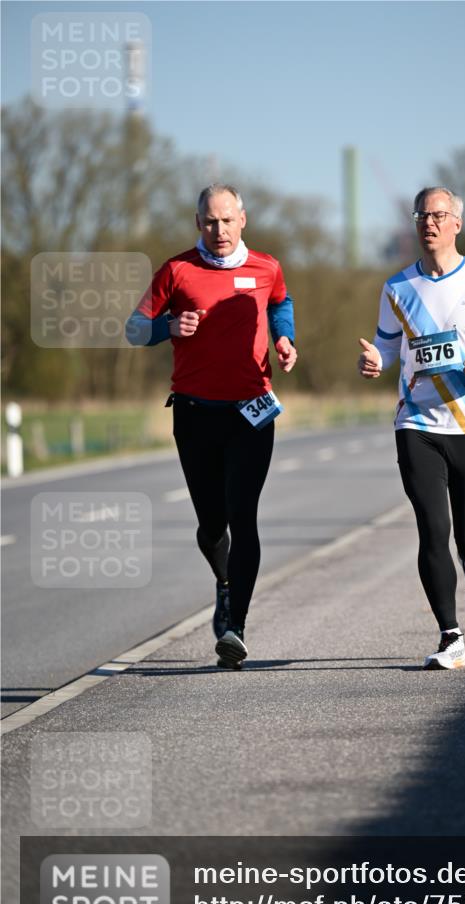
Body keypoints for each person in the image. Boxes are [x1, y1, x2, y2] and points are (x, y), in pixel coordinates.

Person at [358, 186, 465, 670]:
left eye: (438, 215)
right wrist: (374, 360)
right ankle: (450, 636)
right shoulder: (397, 288)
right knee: (433, 529)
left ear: (456, 222)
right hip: (418, 424)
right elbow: (388, 347)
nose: (428, 223)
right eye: (421, 216)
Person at [126, 184, 297, 667]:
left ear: (242, 219)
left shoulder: (266, 267)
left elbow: (280, 303)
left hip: (252, 411)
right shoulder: (177, 270)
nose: (218, 231)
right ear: (197, 222)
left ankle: (236, 627)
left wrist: (284, 338)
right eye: (208, 222)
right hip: (195, 413)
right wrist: (167, 327)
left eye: (226, 220)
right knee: (211, 524)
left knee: (243, 517)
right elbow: (134, 328)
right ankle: (224, 584)